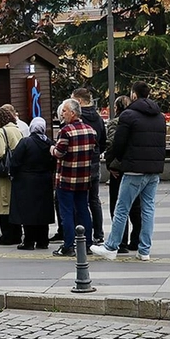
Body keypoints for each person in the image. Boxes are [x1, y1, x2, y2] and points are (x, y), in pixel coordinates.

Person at [92, 81, 166, 261]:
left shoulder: (128, 115)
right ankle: (144, 250)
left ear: (133, 94)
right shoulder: (159, 116)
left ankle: (111, 247)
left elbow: (118, 143)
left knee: (121, 208)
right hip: (154, 170)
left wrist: (115, 162)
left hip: (133, 169)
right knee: (147, 209)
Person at [50, 99, 97, 257]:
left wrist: (52, 149)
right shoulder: (91, 130)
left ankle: (68, 245)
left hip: (66, 178)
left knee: (67, 212)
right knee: (83, 209)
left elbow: (59, 153)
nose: (62, 114)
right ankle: (88, 243)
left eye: (64, 111)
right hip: (84, 178)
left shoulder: (65, 131)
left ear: (73, 113)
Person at [9, 118, 55, 250]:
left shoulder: (25, 142)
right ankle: (43, 240)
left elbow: (15, 162)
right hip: (44, 180)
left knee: (28, 212)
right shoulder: (49, 143)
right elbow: (53, 163)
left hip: (26, 181)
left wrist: (13, 174)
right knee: (43, 212)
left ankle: (28, 241)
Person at [105, 95, 142, 253]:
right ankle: (136, 240)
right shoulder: (138, 122)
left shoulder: (115, 123)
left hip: (119, 170)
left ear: (117, 107)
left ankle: (121, 242)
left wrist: (111, 164)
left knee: (118, 206)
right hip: (136, 167)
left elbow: (112, 144)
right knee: (136, 206)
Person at [71, 88, 107, 244]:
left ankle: (82, 232)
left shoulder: (79, 119)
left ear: (78, 101)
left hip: (80, 163)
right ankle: (99, 233)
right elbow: (104, 141)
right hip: (94, 161)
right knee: (94, 199)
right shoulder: (98, 118)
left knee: (79, 200)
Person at [0, 106, 23, 246]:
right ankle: (17, 234)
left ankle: (8, 236)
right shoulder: (17, 130)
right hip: (15, 172)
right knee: (14, 204)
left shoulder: (1, 131)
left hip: (3, 172)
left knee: (3, 204)